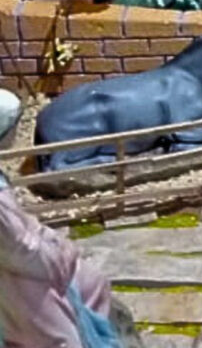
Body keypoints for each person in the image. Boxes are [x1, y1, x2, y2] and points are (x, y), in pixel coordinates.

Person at [0, 98, 121, 348]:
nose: (18, 132)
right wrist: (59, 254)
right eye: (15, 125)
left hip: (28, 260)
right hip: (21, 274)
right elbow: (19, 246)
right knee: (61, 339)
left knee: (94, 282)